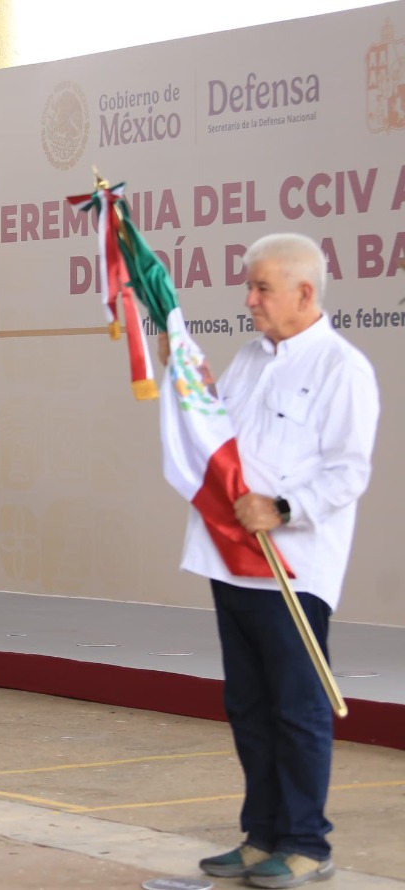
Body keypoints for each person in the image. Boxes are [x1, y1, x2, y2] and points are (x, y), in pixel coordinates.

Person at [188, 235, 379, 890]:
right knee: (247, 704)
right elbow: (218, 436)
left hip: (293, 567)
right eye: (249, 286)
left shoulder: (340, 367)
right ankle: (261, 833)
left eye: (262, 288)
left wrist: (285, 507)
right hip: (233, 560)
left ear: (305, 292)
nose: (249, 300)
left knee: (295, 707)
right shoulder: (248, 359)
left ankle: (305, 843)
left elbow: (349, 471)